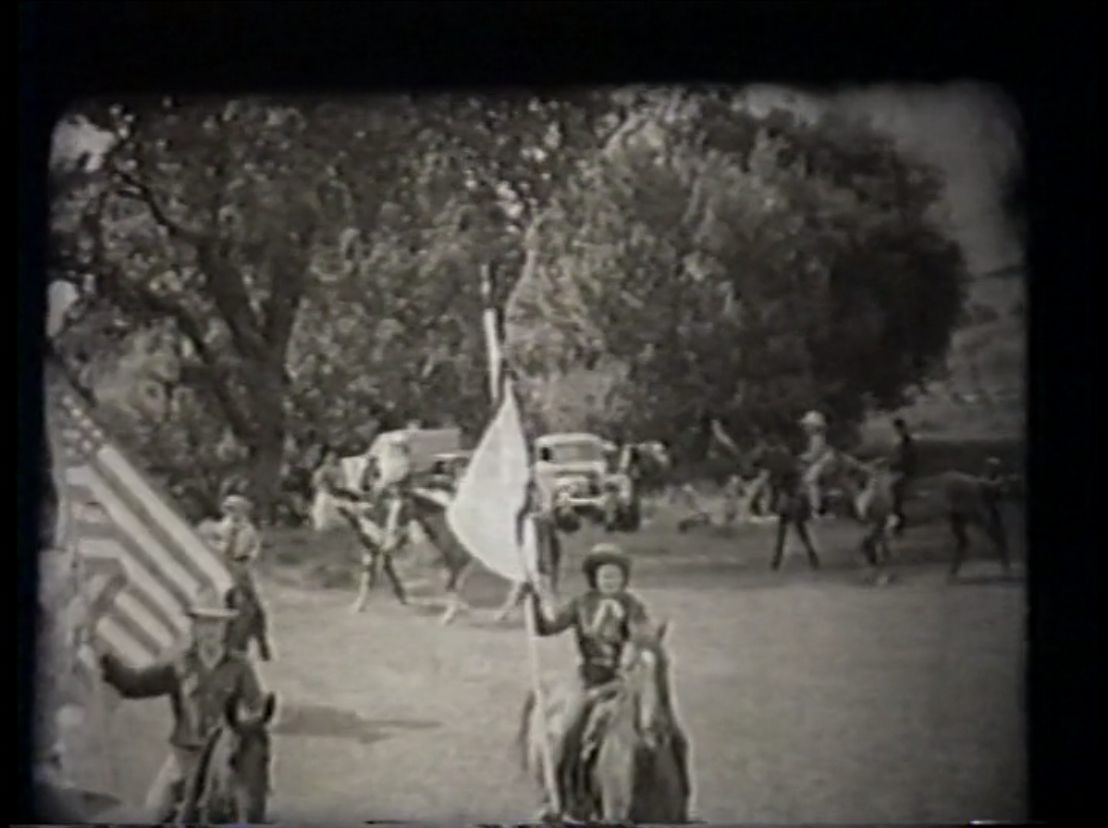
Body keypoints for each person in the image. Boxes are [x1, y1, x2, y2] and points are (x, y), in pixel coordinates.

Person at [96, 584, 267, 822]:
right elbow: (136, 685)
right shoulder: (180, 665)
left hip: (225, 757)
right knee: (154, 812)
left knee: (242, 809)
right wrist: (107, 661)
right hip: (185, 754)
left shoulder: (240, 667)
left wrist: (246, 728)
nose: (210, 630)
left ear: (225, 628)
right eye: (204, 623)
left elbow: (254, 707)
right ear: (194, 628)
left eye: (216, 623)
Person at [525, 544, 653, 820]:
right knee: (568, 731)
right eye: (605, 576)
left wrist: (637, 649)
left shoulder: (631, 605)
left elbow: (642, 634)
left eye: (616, 576)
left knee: (656, 729)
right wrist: (534, 602)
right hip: (587, 679)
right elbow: (548, 627)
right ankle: (560, 795)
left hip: (619, 680)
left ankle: (670, 791)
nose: (610, 581)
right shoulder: (581, 604)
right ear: (594, 578)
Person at [799, 410, 835, 519]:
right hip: (822, 461)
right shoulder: (815, 437)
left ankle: (816, 510)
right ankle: (815, 508)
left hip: (823, 462)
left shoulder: (816, 438)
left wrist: (802, 457)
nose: (805, 428)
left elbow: (815, 455)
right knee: (810, 482)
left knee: (810, 481)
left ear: (814, 427)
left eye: (807, 426)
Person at [889, 418, 918, 535]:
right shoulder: (900, 441)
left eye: (898, 429)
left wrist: (895, 465)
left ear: (903, 428)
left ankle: (899, 516)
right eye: (896, 429)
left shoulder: (908, 441)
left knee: (894, 488)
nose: (897, 431)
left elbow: (907, 459)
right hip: (900, 470)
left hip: (906, 471)